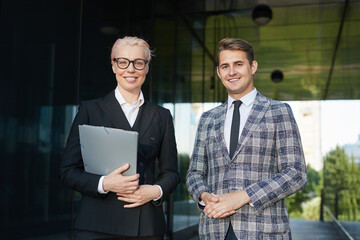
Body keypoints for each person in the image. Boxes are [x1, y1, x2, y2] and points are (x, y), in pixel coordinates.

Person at [186, 38, 307, 240]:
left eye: (238, 64)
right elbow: (194, 173)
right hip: (214, 230)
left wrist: (242, 197)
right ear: (218, 72)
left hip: (263, 231)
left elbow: (296, 174)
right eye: (225, 66)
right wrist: (204, 196)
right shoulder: (208, 118)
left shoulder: (279, 111)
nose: (231, 72)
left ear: (253, 67)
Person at [60, 36, 179, 240]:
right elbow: (68, 171)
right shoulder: (90, 110)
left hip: (147, 227)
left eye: (138, 63)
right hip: (96, 225)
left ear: (147, 68)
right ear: (114, 66)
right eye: (123, 62)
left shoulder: (162, 116)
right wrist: (105, 184)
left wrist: (154, 191)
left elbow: (171, 173)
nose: (130, 69)